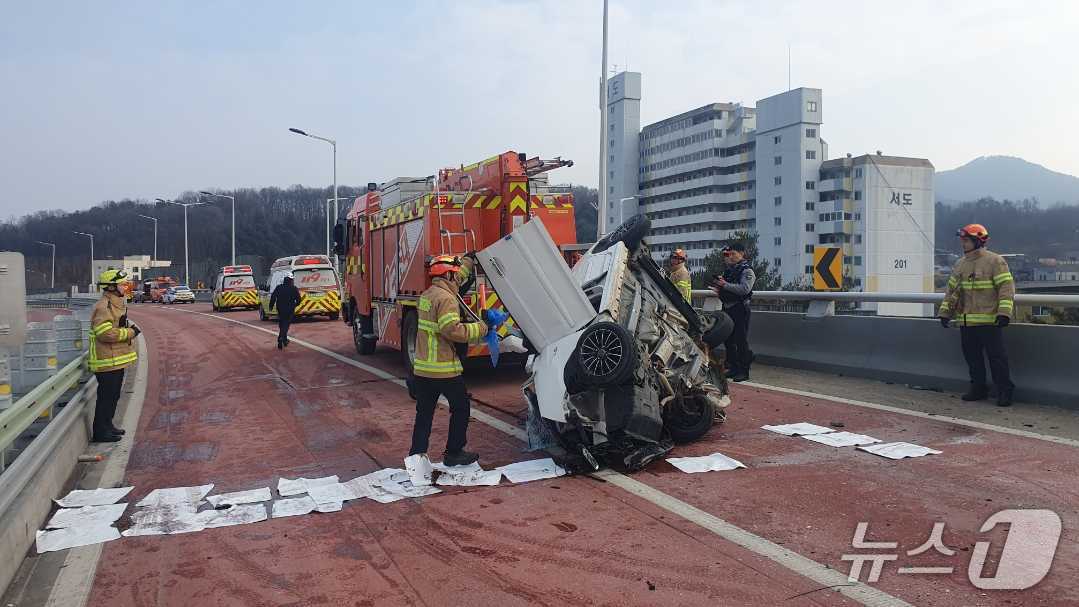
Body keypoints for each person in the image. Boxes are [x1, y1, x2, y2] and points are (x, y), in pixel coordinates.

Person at [409, 254, 491, 467]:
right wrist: (481, 328)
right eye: (454, 275)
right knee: (461, 407)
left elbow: (457, 280)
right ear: (447, 275)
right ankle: (454, 452)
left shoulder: (427, 295)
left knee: (424, 414)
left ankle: (417, 457)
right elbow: (451, 330)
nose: (457, 279)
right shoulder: (446, 299)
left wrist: (468, 261)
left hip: (423, 370)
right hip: (443, 369)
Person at [938, 224, 1016, 406]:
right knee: (973, 359)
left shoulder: (995, 261)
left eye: (966, 241)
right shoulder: (960, 264)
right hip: (967, 322)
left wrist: (1004, 313)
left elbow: (1006, 288)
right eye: (962, 241)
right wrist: (945, 313)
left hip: (990, 321)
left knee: (997, 359)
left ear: (978, 241)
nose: (963, 244)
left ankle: (1005, 391)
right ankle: (978, 388)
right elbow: (952, 292)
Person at [89, 269, 141, 443]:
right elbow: (105, 334)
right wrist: (130, 333)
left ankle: (108, 425)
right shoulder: (104, 307)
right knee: (106, 397)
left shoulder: (117, 303)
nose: (125, 287)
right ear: (111, 287)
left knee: (113, 396)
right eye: (122, 284)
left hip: (115, 360)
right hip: (106, 361)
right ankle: (100, 432)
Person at [711, 243, 756, 382]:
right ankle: (734, 367)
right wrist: (719, 288)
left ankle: (744, 370)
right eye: (729, 254)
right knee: (729, 340)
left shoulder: (747, 271)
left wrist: (725, 285)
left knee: (740, 340)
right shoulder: (729, 270)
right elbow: (727, 287)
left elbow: (744, 289)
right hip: (727, 307)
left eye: (734, 254)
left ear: (742, 253)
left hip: (740, 308)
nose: (730, 256)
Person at [270, 272, 301, 349]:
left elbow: (273, 297)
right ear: (291, 280)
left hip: (280, 308)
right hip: (290, 309)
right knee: (286, 324)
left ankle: (284, 339)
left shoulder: (279, 287)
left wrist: (271, 306)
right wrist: (295, 305)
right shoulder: (294, 288)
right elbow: (299, 300)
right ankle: (281, 338)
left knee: (282, 324)